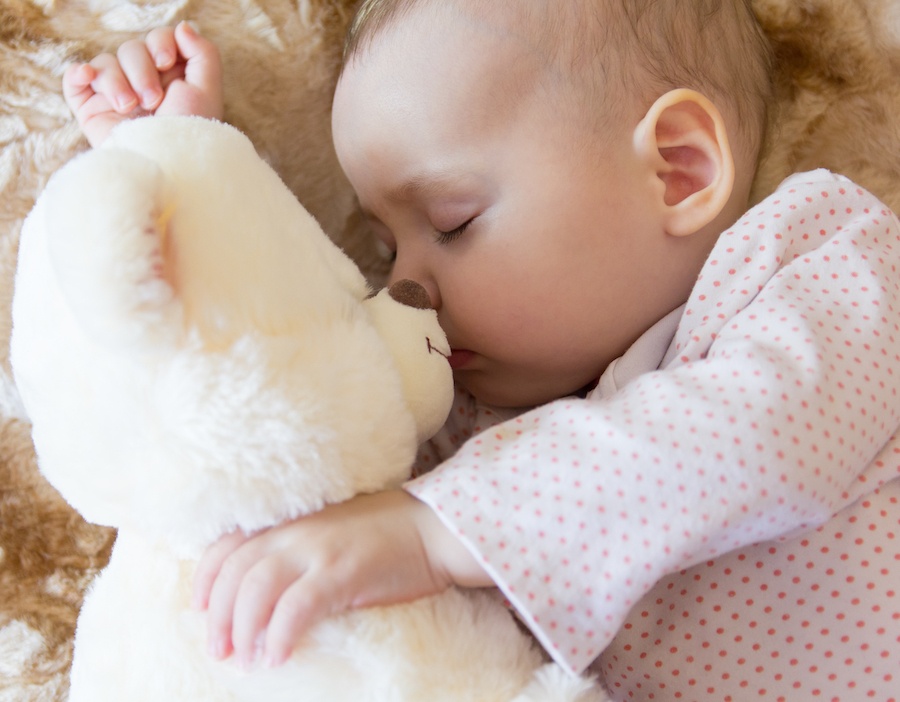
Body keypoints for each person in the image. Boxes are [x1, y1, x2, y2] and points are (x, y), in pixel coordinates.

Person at [63, 3, 900, 699]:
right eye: (388, 249)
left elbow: (761, 439)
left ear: (678, 170)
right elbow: (296, 439)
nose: (406, 288)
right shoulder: (473, 420)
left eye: (453, 221)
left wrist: (431, 533)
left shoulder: (820, 256)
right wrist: (187, 173)